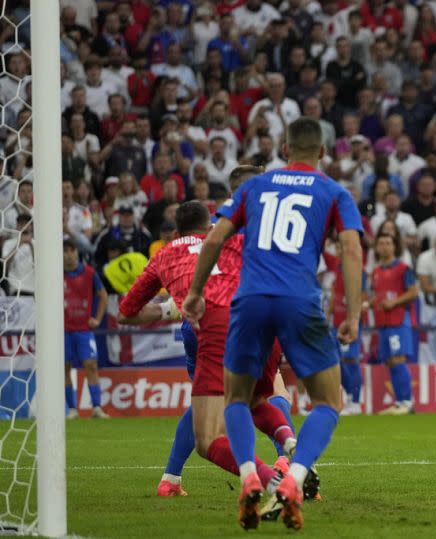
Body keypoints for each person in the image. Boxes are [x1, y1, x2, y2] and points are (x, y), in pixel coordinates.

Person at [183, 118, 363, 530]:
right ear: (321, 152)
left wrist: (194, 292)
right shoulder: (333, 191)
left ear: (285, 150)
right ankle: (294, 481)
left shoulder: (253, 187)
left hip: (248, 302)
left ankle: (249, 476)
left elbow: (213, 238)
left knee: (237, 398)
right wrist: (352, 314)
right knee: (328, 401)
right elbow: (350, 249)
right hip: (299, 300)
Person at [118, 201, 296, 500]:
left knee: (211, 417)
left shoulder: (166, 253)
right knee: (260, 397)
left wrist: (172, 309)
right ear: (211, 226)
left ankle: (265, 476)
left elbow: (125, 313)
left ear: (174, 234)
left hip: (206, 327)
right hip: (254, 320)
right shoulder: (233, 237)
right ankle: (288, 451)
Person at [370, 233, 418, 415]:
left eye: (388, 243)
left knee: (398, 359)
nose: (384, 246)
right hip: (383, 322)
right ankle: (399, 403)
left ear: (394, 247)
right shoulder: (376, 271)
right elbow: (380, 294)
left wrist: (394, 302)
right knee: (390, 361)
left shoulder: (403, 268)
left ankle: (407, 401)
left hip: (398, 320)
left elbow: (413, 292)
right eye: (381, 243)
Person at [63, 237, 109, 419]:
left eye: (71, 250)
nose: (68, 255)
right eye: (65, 251)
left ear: (77, 252)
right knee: (64, 368)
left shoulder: (89, 273)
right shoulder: (56, 274)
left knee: (90, 365)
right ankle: (72, 409)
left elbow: (103, 295)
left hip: (83, 329)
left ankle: (96, 408)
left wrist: (97, 319)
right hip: (63, 331)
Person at [326, 241, 367, 416]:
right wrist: (328, 314)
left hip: (349, 322)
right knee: (337, 361)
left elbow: (363, 296)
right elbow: (336, 295)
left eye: (343, 247)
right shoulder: (337, 268)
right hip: (336, 322)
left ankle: (355, 400)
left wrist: (354, 317)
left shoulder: (358, 270)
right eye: (338, 247)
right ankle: (347, 398)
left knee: (350, 359)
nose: (340, 250)